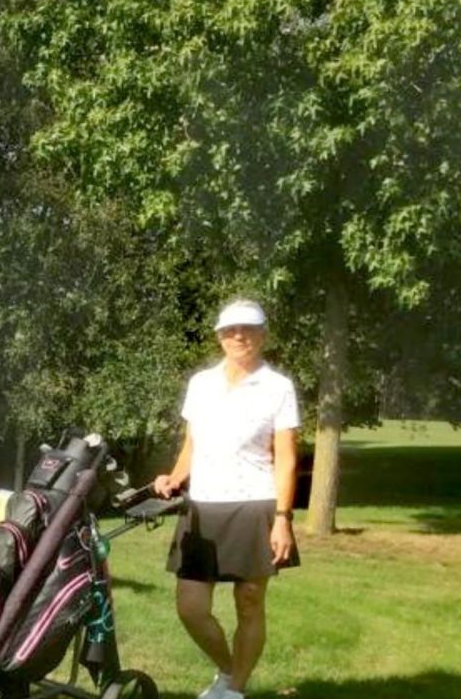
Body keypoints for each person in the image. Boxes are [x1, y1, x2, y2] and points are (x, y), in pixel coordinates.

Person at [154, 299, 300, 699]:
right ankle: (227, 669)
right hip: (202, 506)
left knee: (249, 602)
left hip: (255, 502)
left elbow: (286, 457)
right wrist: (175, 476)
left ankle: (234, 690)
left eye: (248, 329)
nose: (239, 336)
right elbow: (192, 445)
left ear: (263, 335)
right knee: (191, 607)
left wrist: (283, 518)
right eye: (231, 330)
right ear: (220, 337)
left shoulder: (278, 387)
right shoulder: (201, 383)